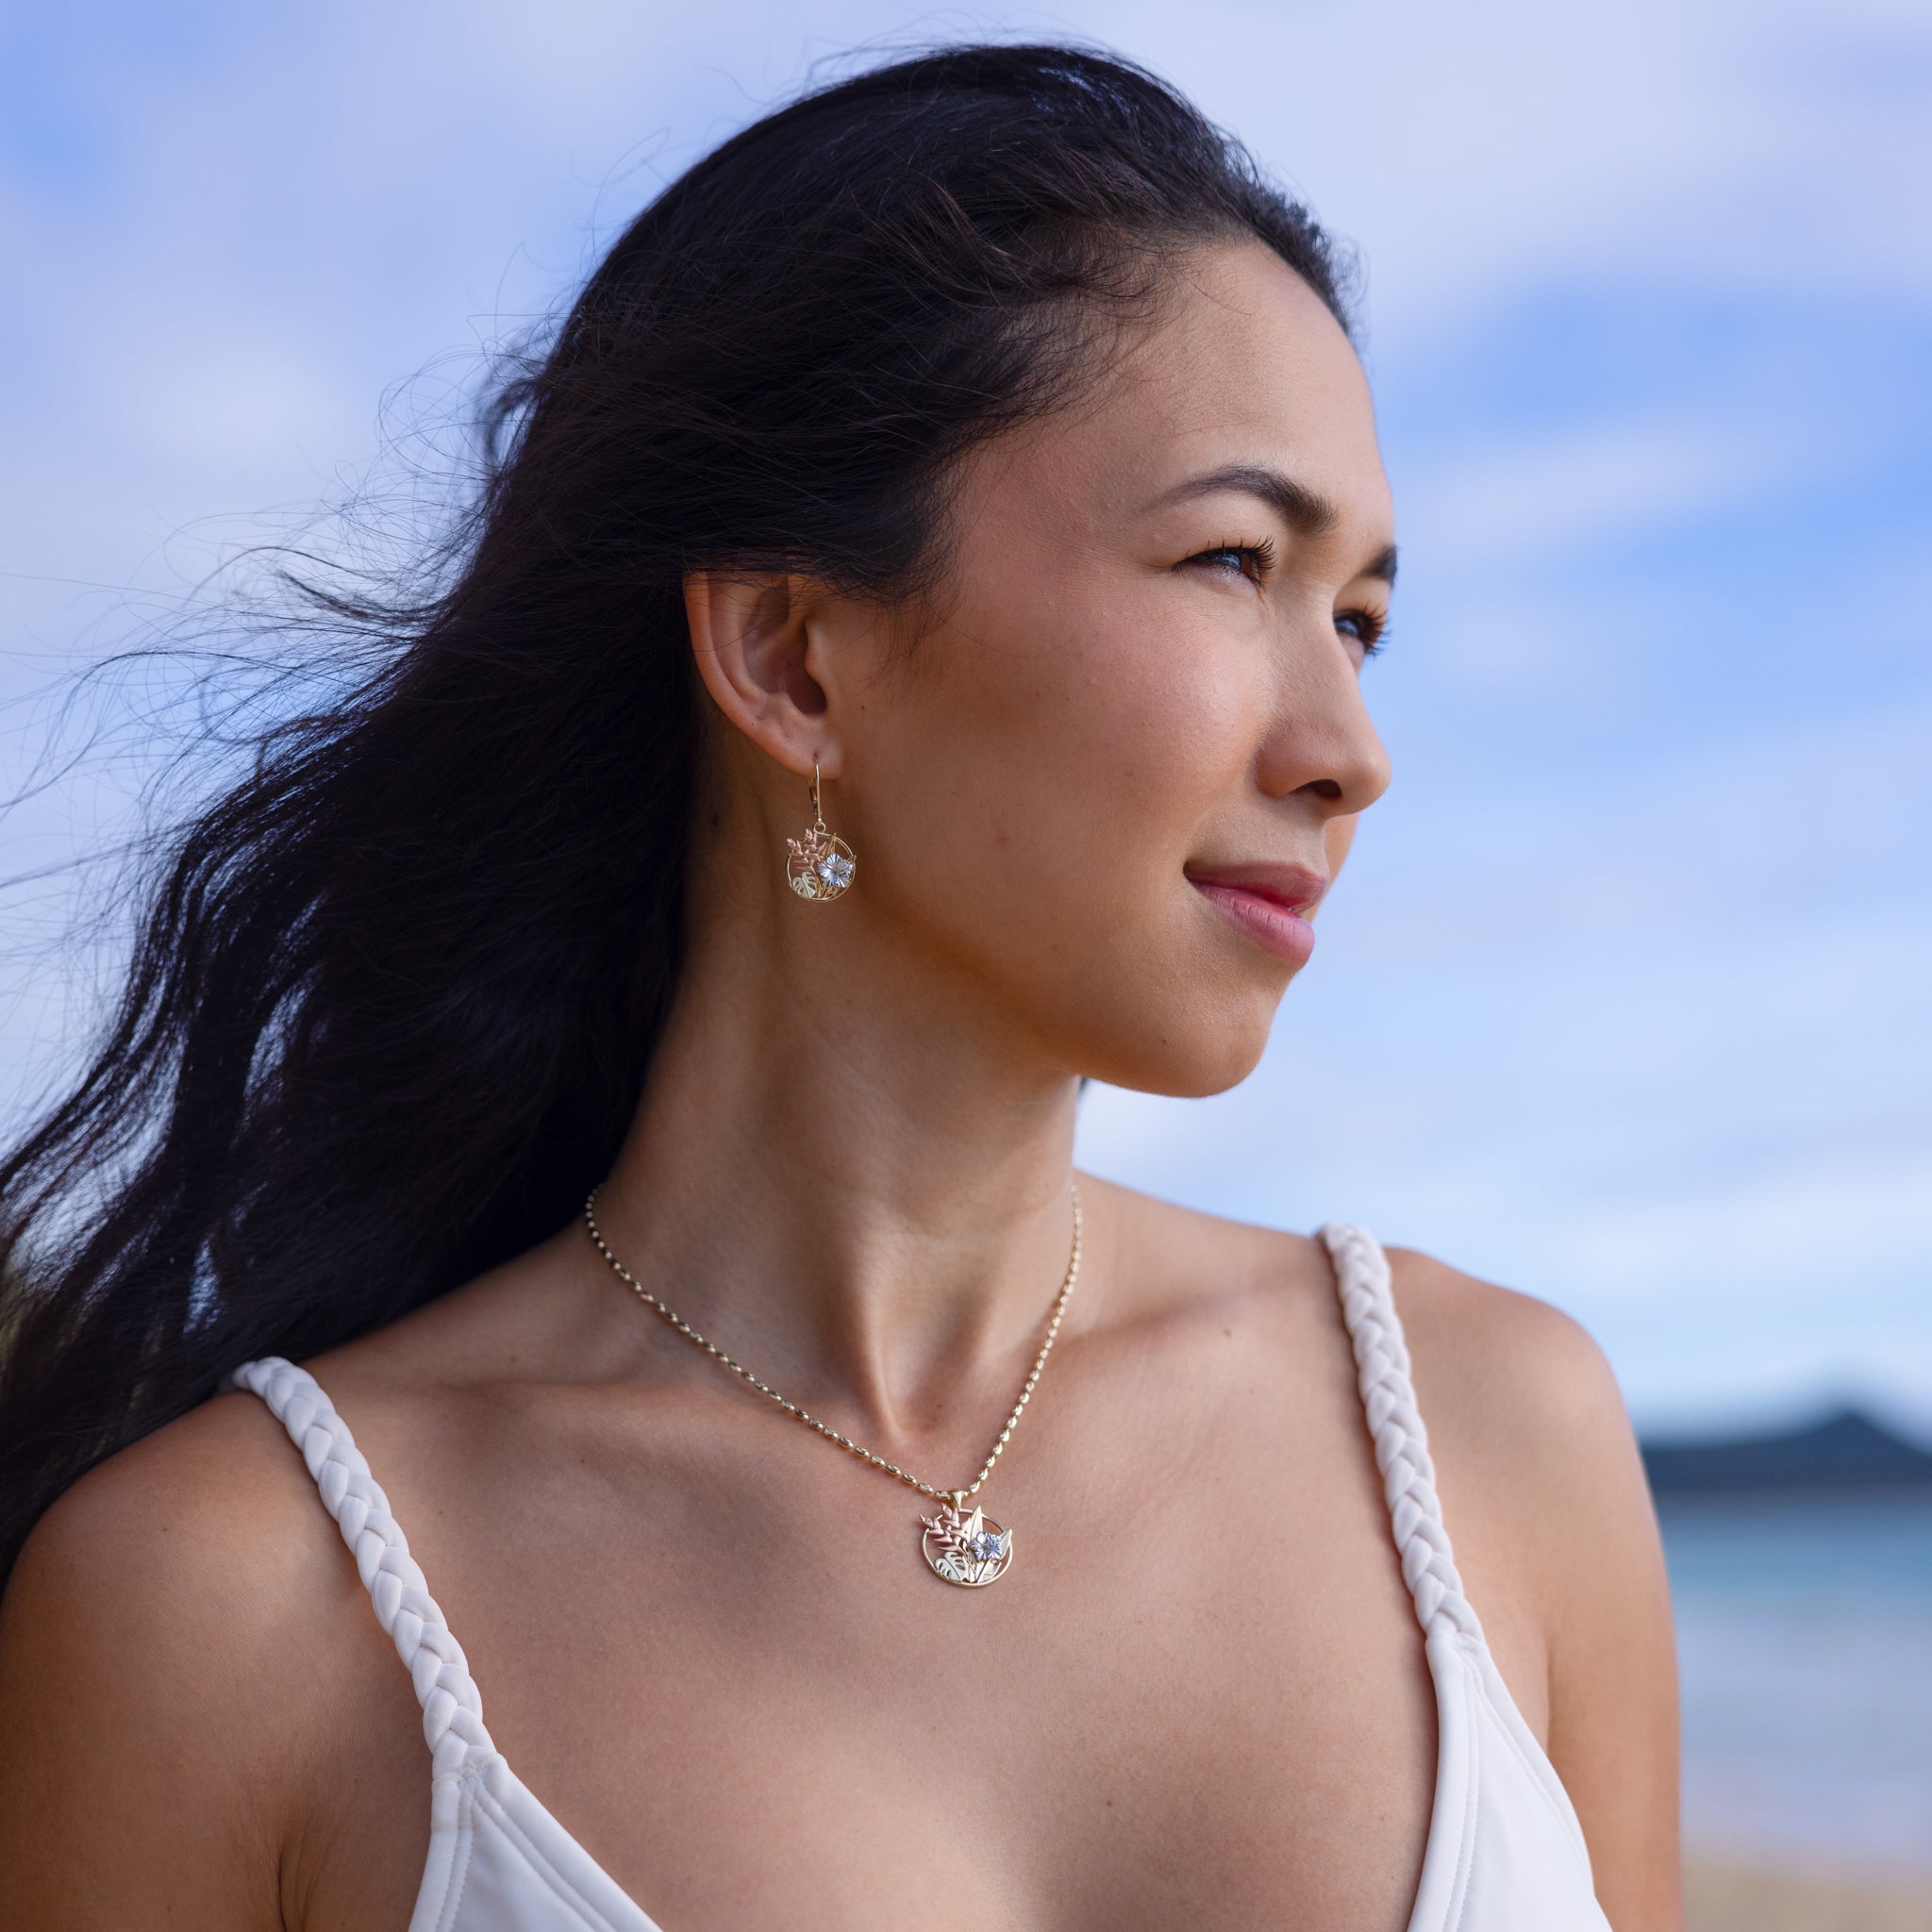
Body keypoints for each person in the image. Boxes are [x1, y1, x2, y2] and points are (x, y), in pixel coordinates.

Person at [0, 42, 1680, 1930]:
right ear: (794, 659)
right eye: (1233, 561)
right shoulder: (228, 1612)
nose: (1350, 751)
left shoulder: (1491, 1441)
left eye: (1360, 619)